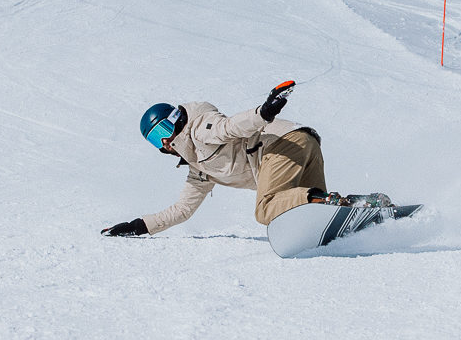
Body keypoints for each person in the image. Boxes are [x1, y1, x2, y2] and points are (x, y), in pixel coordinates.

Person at [102, 81, 342, 237]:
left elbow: (230, 127)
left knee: (266, 209)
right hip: (303, 142)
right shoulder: (199, 169)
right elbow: (183, 210)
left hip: (280, 146)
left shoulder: (200, 130)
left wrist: (264, 112)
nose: (164, 142)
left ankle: (321, 199)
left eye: (163, 131)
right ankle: (347, 206)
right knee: (307, 217)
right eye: (155, 140)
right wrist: (138, 226)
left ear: (175, 119)